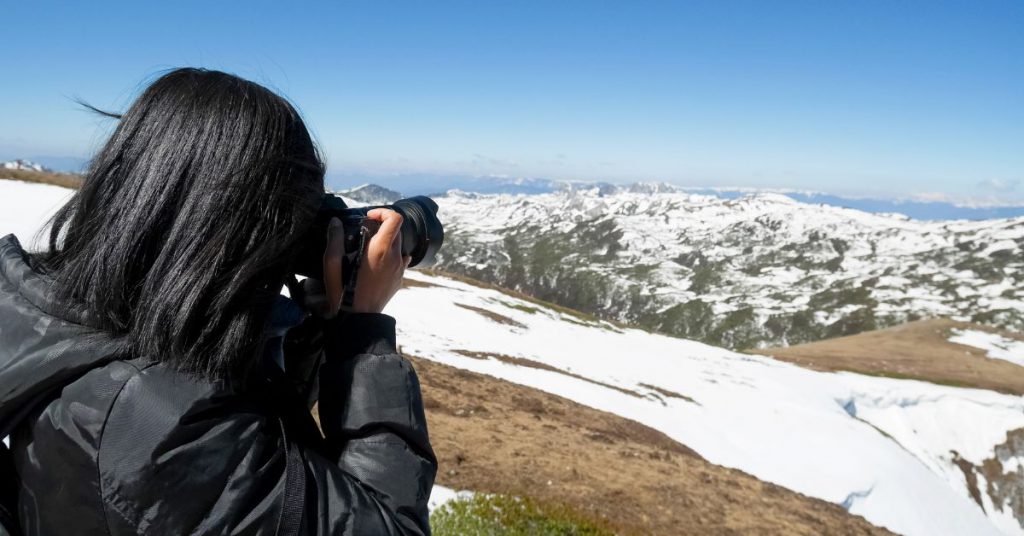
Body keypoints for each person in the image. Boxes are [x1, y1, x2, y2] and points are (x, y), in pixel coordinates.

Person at [0, 68, 436, 535]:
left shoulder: (92, 331)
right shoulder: (162, 423)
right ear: (242, 227)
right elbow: (391, 526)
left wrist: (319, 323)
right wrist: (362, 333)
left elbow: (274, 451)